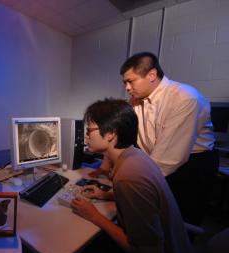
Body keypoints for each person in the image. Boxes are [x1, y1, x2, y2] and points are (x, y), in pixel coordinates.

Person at [93, 52, 219, 226]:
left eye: (131, 81)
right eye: (125, 83)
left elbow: (168, 159)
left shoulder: (184, 98)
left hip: (190, 166)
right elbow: (120, 134)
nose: (127, 88)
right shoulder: (134, 101)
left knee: (177, 220)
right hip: (155, 159)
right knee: (151, 213)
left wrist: (131, 185)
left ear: (152, 75)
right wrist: (105, 167)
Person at [72, 98, 197, 253]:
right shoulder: (135, 155)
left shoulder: (129, 177)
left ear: (110, 134)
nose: (86, 136)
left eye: (89, 130)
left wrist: (94, 216)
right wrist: (106, 195)